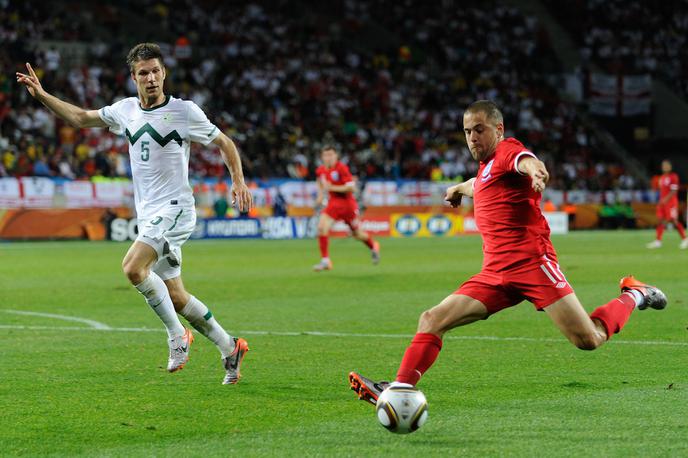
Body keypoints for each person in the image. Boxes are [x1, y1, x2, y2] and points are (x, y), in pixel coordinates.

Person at [349, 100, 667, 404]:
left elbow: (524, 160)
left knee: (589, 339)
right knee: (432, 319)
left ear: (498, 129)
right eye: (467, 132)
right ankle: (399, 388)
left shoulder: (506, 151)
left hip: (532, 265)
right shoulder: (487, 169)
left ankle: (635, 294)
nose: (473, 137)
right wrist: (457, 188)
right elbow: (479, 183)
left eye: (479, 129)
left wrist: (536, 170)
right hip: (495, 274)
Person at [17, 43, 253, 385]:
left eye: (156, 71)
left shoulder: (185, 112)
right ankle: (229, 347)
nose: (152, 78)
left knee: (132, 267)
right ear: (134, 77)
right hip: (149, 214)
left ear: (164, 73)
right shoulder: (125, 110)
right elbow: (81, 118)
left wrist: (238, 182)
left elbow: (224, 143)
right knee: (176, 295)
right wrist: (41, 95)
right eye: (144, 73)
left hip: (176, 210)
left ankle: (177, 336)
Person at [312, 146, 380, 271]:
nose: (328, 158)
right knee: (322, 227)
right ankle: (325, 260)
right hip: (333, 204)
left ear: (336, 156)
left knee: (357, 234)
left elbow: (351, 188)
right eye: (326, 155)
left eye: (331, 155)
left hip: (347, 205)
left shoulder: (341, 168)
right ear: (322, 157)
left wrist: (332, 188)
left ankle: (373, 246)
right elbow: (320, 183)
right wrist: (320, 197)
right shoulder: (320, 170)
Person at [646, 160, 687, 249]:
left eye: (667, 165)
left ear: (670, 167)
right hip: (662, 203)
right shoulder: (662, 177)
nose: (665, 167)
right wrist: (661, 200)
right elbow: (660, 190)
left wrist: (665, 199)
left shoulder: (674, 177)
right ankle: (658, 241)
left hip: (671, 202)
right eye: (663, 166)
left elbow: (674, 190)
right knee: (661, 220)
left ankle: (685, 239)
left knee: (674, 221)